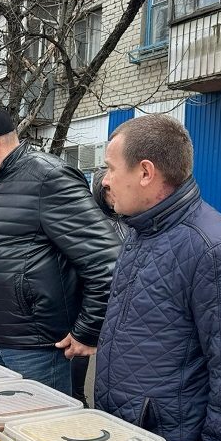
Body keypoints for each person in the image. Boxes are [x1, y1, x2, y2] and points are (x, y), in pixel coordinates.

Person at [95, 114, 221, 441]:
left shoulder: (215, 248)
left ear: (145, 173)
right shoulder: (144, 229)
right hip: (135, 440)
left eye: (110, 168)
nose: (105, 181)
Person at [0, 107, 120, 394]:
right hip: (1, 338)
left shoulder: (47, 177)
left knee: (39, 433)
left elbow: (107, 261)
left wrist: (88, 330)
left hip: (39, 349)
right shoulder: (4, 180)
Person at [71, 168, 130, 406]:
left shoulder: (131, 222)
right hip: (91, 300)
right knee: (82, 349)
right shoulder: (90, 224)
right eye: (105, 189)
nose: (112, 193)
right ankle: (76, 394)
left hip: (122, 304)